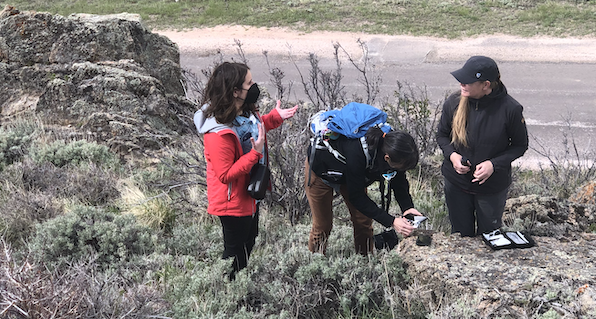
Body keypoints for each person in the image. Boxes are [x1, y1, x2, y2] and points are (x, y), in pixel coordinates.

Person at [194, 62, 298, 275]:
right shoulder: (217, 133)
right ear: (235, 91)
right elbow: (225, 175)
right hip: (231, 200)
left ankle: (237, 285)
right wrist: (255, 154)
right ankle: (227, 292)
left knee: (249, 242)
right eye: (249, 83)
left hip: (250, 192)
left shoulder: (245, 111)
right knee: (234, 251)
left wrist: (275, 117)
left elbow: (254, 130)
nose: (254, 87)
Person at [305, 112, 423, 255]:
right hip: (321, 172)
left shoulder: (396, 148)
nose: (400, 170)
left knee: (363, 220)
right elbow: (357, 197)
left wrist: (407, 208)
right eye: (399, 167)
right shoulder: (359, 151)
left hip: (351, 173)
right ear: (387, 158)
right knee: (323, 225)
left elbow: (399, 180)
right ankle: (315, 261)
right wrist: (392, 221)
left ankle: (363, 258)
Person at [436, 55, 528, 237]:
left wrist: (493, 165)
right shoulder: (453, 103)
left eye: (468, 81)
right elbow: (441, 136)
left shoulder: (511, 109)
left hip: (491, 189)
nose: (462, 83)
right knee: (461, 237)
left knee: (490, 238)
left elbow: (520, 146)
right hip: (456, 185)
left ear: (486, 85)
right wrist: (453, 157)